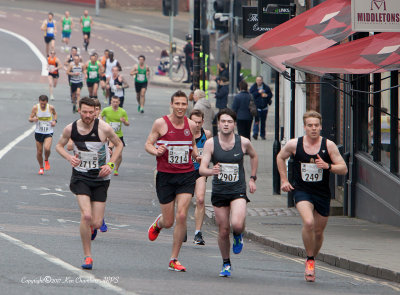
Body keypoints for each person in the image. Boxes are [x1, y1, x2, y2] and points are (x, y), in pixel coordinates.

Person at [276, 111, 348, 282]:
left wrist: (327, 166)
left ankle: (312, 258)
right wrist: (284, 180)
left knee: (318, 232)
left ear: (321, 127)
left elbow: (343, 168)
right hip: (302, 190)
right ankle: (309, 260)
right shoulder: (295, 144)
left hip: (322, 193)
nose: (313, 128)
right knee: (308, 222)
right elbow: (280, 157)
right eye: (310, 125)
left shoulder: (328, 145)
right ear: (305, 127)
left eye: (316, 125)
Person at [56, 97, 123, 270]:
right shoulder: (71, 129)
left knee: (97, 223)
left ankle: (93, 228)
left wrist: (110, 164)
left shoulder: (104, 128)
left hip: (101, 178)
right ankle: (88, 257)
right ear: (79, 110)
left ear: (95, 112)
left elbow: (119, 144)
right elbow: (59, 146)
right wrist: (69, 157)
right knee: (86, 215)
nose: (87, 115)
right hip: (81, 176)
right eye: (84, 112)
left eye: (90, 112)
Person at [145, 90, 200, 272]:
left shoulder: (191, 125)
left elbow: (191, 143)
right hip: (166, 176)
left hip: (186, 175)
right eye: (177, 104)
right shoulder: (161, 123)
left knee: (182, 215)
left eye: (184, 104)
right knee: (169, 221)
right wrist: (156, 151)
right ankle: (159, 224)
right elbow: (148, 144)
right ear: (171, 104)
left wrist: (195, 153)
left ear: (187, 105)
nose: (180, 107)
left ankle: (174, 259)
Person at [199, 108, 258, 277]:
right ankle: (226, 263)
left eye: (229, 121)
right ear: (218, 124)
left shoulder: (243, 142)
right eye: (223, 121)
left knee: (237, 224)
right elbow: (202, 169)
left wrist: (252, 178)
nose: (226, 124)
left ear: (234, 124)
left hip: (237, 189)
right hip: (220, 191)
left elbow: (254, 156)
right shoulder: (211, 144)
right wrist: (212, 171)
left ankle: (238, 235)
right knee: (224, 230)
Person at [189, 109, 212, 245]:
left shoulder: (207, 134)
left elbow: (212, 151)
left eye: (199, 122)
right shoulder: (185, 134)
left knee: (201, 199)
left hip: (199, 171)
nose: (197, 125)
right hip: (185, 171)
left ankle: (198, 232)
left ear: (203, 122)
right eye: (194, 122)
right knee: (183, 202)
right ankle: (182, 227)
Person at [29, 95, 57, 175]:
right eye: (41, 103)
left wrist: (55, 121)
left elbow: (55, 114)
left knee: (47, 148)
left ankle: (46, 160)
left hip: (48, 131)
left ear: (47, 102)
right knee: (39, 152)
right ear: (39, 102)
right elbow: (30, 118)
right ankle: (41, 167)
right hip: (38, 132)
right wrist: (33, 119)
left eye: (44, 104)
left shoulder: (51, 107)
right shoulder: (35, 108)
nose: (43, 105)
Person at [101, 96, 129, 176]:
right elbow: (100, 116)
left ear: (119, 102)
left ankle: (116, 169)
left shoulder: (122, 111)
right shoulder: (106, 110)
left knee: (119, 154)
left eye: (116, 102)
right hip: (109, 135)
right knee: (108, 152)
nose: (115, 103)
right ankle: (106, 166)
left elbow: (127, 123)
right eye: (113, 101)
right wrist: (103, 123)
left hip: (118, 135)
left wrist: (124, 121)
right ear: (111, 102)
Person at [249, 76, 273, 140]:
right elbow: (251, 95)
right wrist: (258, 93)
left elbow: (270, 95)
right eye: (257, 80)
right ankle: (255, 134)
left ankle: (263, 135)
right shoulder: (253, 87)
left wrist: (267, 96)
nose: (259, 81)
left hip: (264, 108)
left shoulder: (266, 87)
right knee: (256, 121)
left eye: (260, 80)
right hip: (257, 107)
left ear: (262, 80)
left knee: (263, 122)